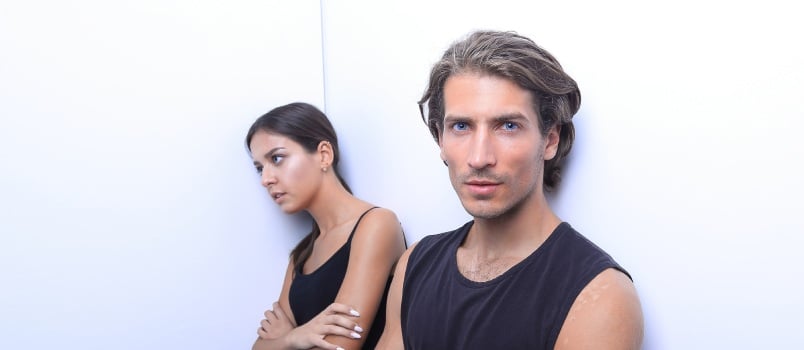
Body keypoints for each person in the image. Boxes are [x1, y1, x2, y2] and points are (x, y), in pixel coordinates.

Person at [377, 31, 644, 349]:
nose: (479, 158)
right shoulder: (415, 264)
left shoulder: (598, 294)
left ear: (550, 139)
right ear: (440, 139)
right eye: (461, 126)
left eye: (508, 126)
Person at [246, 102, 407, 350]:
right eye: (260, 168)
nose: (266, 179)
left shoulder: (376, 225)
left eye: (276, 158)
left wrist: (284, 341)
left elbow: (340, 347)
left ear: (324, 155)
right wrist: (294, 337)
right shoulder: (302, 255)